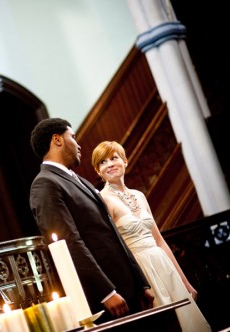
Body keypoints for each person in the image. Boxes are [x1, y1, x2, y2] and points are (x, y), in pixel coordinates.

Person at [29, 118, 156, 326]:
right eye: (73, 137)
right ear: (57, 139)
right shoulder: (45, 184)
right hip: (107, 296)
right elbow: (69, 242)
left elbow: (113, 233)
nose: (78, 145)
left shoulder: (81, 181)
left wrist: (140, 282)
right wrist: (106, 292)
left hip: (129, 286)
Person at [91, 140, 212, 332]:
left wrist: (185, 282)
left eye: (114, 158)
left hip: (162, 262)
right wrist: (138, 285)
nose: (110, 164)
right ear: (98, 171)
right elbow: (113, 249)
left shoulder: (139, 195)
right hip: (141, 269)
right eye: (102, 162)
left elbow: (159, 241)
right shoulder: (103, 200)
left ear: (125, 161)